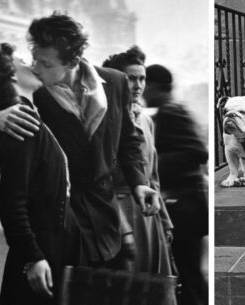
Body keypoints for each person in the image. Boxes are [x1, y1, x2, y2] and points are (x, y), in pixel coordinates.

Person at [0, 13, 160, 269]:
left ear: (72, 60)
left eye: (46, 64)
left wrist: (139, 183)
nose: (36, 67)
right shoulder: (33, 93)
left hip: (105, 212)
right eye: (35, 59)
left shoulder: (116, 82)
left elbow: (128, 140)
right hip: (58, 218)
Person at [0, 43, 70, 305]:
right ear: (12, 75)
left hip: (47, 245)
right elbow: (11, 201)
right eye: (23, 61)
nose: (33, 65)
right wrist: (33, 256)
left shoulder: (27, 112)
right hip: (40, 249)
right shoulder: (21, 121)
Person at [102, 47, 176, 282]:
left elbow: (152, 175)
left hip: (147, 212)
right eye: (131, 78)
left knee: (151, 282)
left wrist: (164, 220)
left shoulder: (145, 119)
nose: (138, 85)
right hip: (117, 212)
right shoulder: (104, 119)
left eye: (142, 78)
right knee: (125, 285)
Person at [144, 64, 208, 305]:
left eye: (145, 85)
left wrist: (152, 164)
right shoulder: (169, 110)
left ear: (153, 86)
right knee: (188, 272)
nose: (141, 92)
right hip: (185, 206)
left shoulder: (170, 112)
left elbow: (197, 152)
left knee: (188, 273)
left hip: (185, 207)